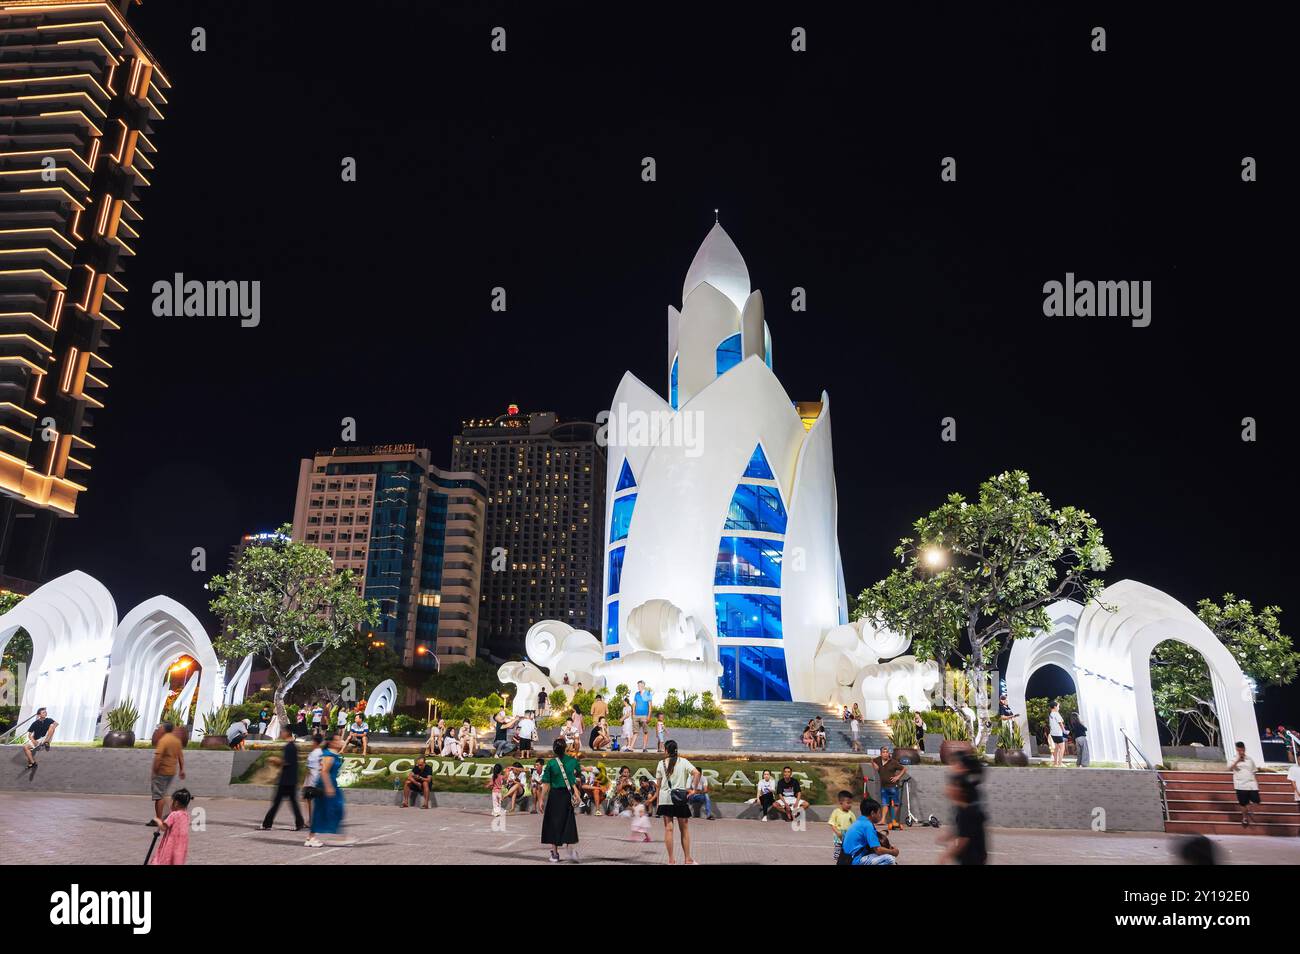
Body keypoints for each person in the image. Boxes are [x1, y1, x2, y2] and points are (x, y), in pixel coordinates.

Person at [655, 740, 700, 864]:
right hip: (680, 799)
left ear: (666, 750)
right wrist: (694, 790)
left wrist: (658, 802)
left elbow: (658, 785)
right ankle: (687, 859)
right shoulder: (684, 762)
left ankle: (671, 860)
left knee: (668, 829)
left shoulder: (661, 763)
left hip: (665, 799)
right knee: (684, 829)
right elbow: (696, 773)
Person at [306, 732, 351, 848]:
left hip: (332, 784)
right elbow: (324, 771)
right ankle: (311, 837)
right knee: (321, 810)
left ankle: (341, 836)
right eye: (337, 740)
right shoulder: (327, 754)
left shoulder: (334, 753)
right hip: (325, 785)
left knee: (337, 809)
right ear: (331, 742)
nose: (340, 742)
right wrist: (328, 787)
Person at [539, 738, 581, 862]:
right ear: (565, 748)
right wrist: (575, 789)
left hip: (554, 796)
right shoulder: (573, 761)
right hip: (567, 795)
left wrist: (541, 799)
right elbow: (576, 775)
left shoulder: (551, 764)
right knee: (568, 821)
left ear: (554, 749)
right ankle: (570, 848)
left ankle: (555, 854)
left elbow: (546, 784)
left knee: (553, 824)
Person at [261, 725, 305, 830]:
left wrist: (275, 760)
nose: (281, 733)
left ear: (287, 732)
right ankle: (299, 823)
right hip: (290, 780)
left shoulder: (289, 747)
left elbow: (286, 763)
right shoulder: (293, 746)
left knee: (276, 803)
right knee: (292, 803)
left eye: (283, 731)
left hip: (285, 780)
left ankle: (267, 824)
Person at [942, 773, 987, 865]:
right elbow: (965, 830)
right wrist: (949, 836)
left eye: (952, 786)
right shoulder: (964, 809)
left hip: (972, 859)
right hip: (973, 857)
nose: (948, 788)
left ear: (960, 792)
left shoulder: (966, 813)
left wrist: (945, 856)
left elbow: (964, 840)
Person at [838, 798, 898, 865]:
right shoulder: (867, 825)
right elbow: (878, 850)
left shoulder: (859, 822)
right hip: (854, 860)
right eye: (879, 813)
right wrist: (893, 852)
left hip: (846, 859)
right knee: (890, 859)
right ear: (872, 813)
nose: (880, 815)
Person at [149, 720, 185, 827]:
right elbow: (180, 756)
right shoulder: (176, 740)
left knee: (159, 796)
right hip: (171, 771)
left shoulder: (163, 741)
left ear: (164, 729)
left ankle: (159, 819)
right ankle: (169, 815)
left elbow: (158, 757)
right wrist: (182, 770)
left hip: (162, 771)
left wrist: (154, 771)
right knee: (163, 794)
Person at [149, 788, 193, 865]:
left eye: (172, 801)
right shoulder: (186, 815)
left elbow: (163, 827)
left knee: (165, 860)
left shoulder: (173, 815)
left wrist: (158, 820)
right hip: (180, 846)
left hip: (171, 845)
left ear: (176, 803)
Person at [873, 746, 907, 830]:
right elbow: (872, 760)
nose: (885, 754)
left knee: (895, 803)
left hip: (893, 786)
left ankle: (893, 820)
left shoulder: (893, 762)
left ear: (889, 753)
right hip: (883, 786)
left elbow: (904, 769)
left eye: (886, 752)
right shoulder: (878, 760)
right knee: (885, 803)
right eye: (883, 752)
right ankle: (883, 820)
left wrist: (898, 777)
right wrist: (875, 766)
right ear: (881, 754)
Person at [1229, 740, 1260, 827]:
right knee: (1243, 803)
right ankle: (1244, 818)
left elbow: (1254, 771)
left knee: (1256, 800)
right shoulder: (1233, 758)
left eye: (1242, 750)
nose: (1241, 751)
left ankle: (1248, 810)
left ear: (1244, 749)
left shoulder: (1249, 759)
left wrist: (1257, 783)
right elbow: (1230, 768)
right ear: (1236, 749)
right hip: (1240, 785)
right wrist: (1238, 761)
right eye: (1239, 750)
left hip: (1252, 784)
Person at [828, 790, 856, 862]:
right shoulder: (836, 812)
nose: (850, 805)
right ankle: (837, 861)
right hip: (838, 836)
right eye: (848, 803)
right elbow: (832, 823)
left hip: (848, 835)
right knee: (838, 851)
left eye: (851, 803)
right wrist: (837, 832)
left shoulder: (851, 814)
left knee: (848, 850)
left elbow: (855, 825)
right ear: (841, 802)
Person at [302, 733, 323, 827]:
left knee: (309, 801)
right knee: (318, 801)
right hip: (319, 780)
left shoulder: (313, 754)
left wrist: (305, 783)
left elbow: (308, 769)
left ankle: (311, 820)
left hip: (311, 781)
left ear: (315, 742)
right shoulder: (322, 752)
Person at [632, 680, 653, 752]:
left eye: (640, 686)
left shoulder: (648, 694)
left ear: (643, 686)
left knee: (645, 732)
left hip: (644, 716)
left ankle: (644, 748)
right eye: (638, 686)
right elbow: (634, 704)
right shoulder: (636, 694)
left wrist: (649, 716)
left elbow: (650, 706)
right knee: (635, 732)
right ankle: (631, 747)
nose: (639, 687)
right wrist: (633, 714)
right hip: (636, 716)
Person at [1048, 700, 1067, 767]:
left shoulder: (1051, 714)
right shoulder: (1056, 713)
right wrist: (1064, 730)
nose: (1059, 708)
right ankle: (1060, 763)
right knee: (1062, 748)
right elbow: (1060, 723)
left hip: (1053, 733)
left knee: (1056, 748)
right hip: (1058, 733)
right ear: (1055, 707)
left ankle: (1055, 763)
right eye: (1058, 706)